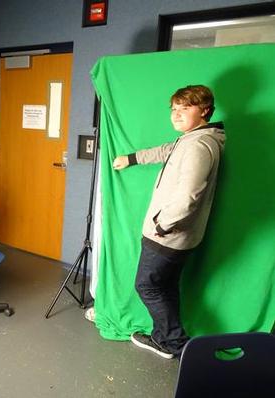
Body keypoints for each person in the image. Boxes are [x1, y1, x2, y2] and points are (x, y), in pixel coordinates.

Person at [112, 85, 225, 359]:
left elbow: (189, 197)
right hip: (179, 236)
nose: (176, 114)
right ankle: (163, 338)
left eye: (185, 108)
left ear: (205, 110)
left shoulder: (198, 145)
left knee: (147, 286)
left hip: (168, 235)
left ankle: (176, 344)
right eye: (174, 109)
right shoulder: (192, 138)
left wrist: (162, 225)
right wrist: (132, 159)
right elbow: (166, 151)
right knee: (164, 286)